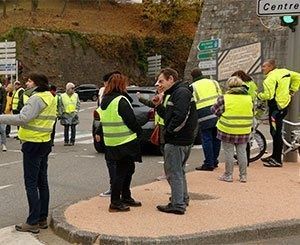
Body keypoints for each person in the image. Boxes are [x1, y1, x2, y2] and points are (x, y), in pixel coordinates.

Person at [0, 73, 57, 233]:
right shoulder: (50, 97)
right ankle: (42, 218)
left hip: (32, 143)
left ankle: (32, 222)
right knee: (42, 182)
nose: (27, 83)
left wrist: (1, 118)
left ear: (37, 83)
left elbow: (23, 118)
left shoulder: (37, 98)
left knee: (31, 184)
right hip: (44, 142)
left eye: (30, 81)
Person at [95, 73, 142, 212]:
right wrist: (138, 132)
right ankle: (115, 201)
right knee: (123, 172)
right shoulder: (121, 100)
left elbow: (103, 120)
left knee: (126, 170)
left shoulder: (105, 100)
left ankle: (125, 196)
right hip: (125, 141)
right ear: (121, 85)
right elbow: (131, 120)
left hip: (111, 141)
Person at [153, 68, 197, 215]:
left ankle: (177, 204)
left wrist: (170, 131)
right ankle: (182, 198)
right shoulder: (178, 93)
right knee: (179, 170)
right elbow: (169, 115)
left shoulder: (180, 93)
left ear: (171, 79)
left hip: (177, 140)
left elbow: (180, 116)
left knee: (173, 171)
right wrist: (159, 106)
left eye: (161, 81)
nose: (158, 84)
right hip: (183, 138)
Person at [211, 76, 253, 183]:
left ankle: (228, 175)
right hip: (244, 129)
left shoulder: (224, 98)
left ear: (229, 86)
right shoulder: (249, 98)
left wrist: (222, 115)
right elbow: (253, 110)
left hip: (227, 128)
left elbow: (214, 110)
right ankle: (243, 176)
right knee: (242, 152)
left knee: (228, 152)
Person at [258, 59, 291, 167]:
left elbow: (269, 95)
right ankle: (274, 155)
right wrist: (292, 90)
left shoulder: (270, 78)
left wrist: (259, 96)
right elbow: (297, 77)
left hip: (276, 109)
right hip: (281, 106)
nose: (262, 68)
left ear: (271, 67)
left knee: (276, 133)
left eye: (264, 66)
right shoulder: (283, 72)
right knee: (274, 132)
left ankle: (277, 160)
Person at [190, 68, 222, 171]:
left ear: (193, 77)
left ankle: (209, 163)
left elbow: (192, 103)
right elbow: (221, 96)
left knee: (206, 138)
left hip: (203, 113)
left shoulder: (192, 87)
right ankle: (214, 161)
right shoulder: (214, 82)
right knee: (216, 137)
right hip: (217, 111)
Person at [97, 72, 120, 197]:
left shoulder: (110, 97)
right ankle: (119, 190)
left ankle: (115, 190)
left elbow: (103, 114)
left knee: (113, 164)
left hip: (114, 137)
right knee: (119, 165)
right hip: (115, 135)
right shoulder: (109, 95)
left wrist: (99, 130)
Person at [231, 70, 258, 165]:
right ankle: (245, 161)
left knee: (243, 141)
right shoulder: (252, 83)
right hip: (250, 113)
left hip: (243, 113)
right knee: (246, 138)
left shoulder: (246, 86)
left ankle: (244, 161)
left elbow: (245, 98)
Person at [0, 82, 7, 151]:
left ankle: (4, 144)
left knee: (2, 130)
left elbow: (4, 100)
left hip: (0, 112)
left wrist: (2, 110)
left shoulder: (2, 89)